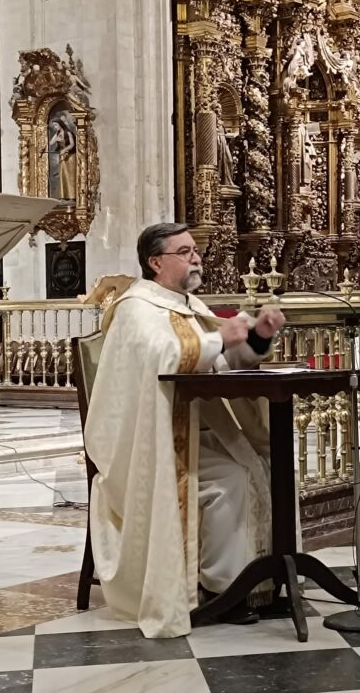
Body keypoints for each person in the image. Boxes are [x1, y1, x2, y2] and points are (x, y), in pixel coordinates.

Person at [84, 222, 286, 638]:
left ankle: (261, 581)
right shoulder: (136, 307)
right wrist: (218, 339)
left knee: (266, 461)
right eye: (185, 250)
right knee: (234, 476)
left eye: (195, 249)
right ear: (156, 262)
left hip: (190, 428)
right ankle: (223, 590)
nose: (196, 257)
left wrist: (258, 340)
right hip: (145, 443)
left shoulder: (188, 305)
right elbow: (162, 359)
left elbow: (220, 365)